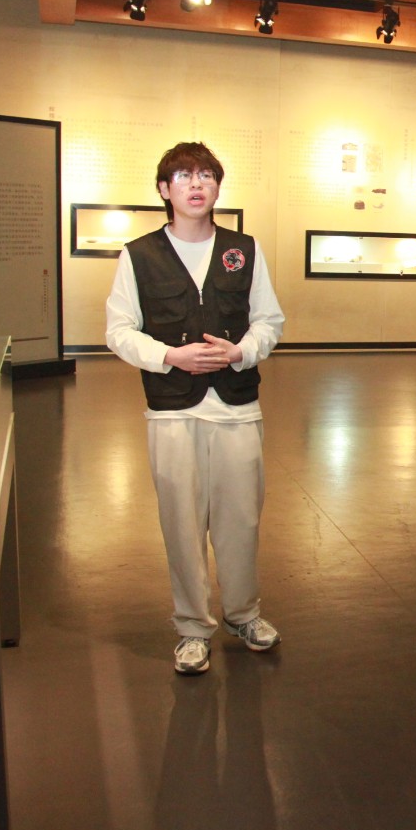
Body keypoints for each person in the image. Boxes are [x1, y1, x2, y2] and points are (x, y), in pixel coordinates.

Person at [106, 141, 285, 675]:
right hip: (172, 411)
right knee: (181, 522)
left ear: (217, 187)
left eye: (206, 175)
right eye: (183, 176)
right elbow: (119, 330)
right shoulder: (139, 255)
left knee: (240, 520)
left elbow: (269, 320)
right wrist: (169, 356)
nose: (196, 184)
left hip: (236, 408)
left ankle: (244, 614)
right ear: (165, 189)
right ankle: (191, 627)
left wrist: (241, 351)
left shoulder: (243, 249)